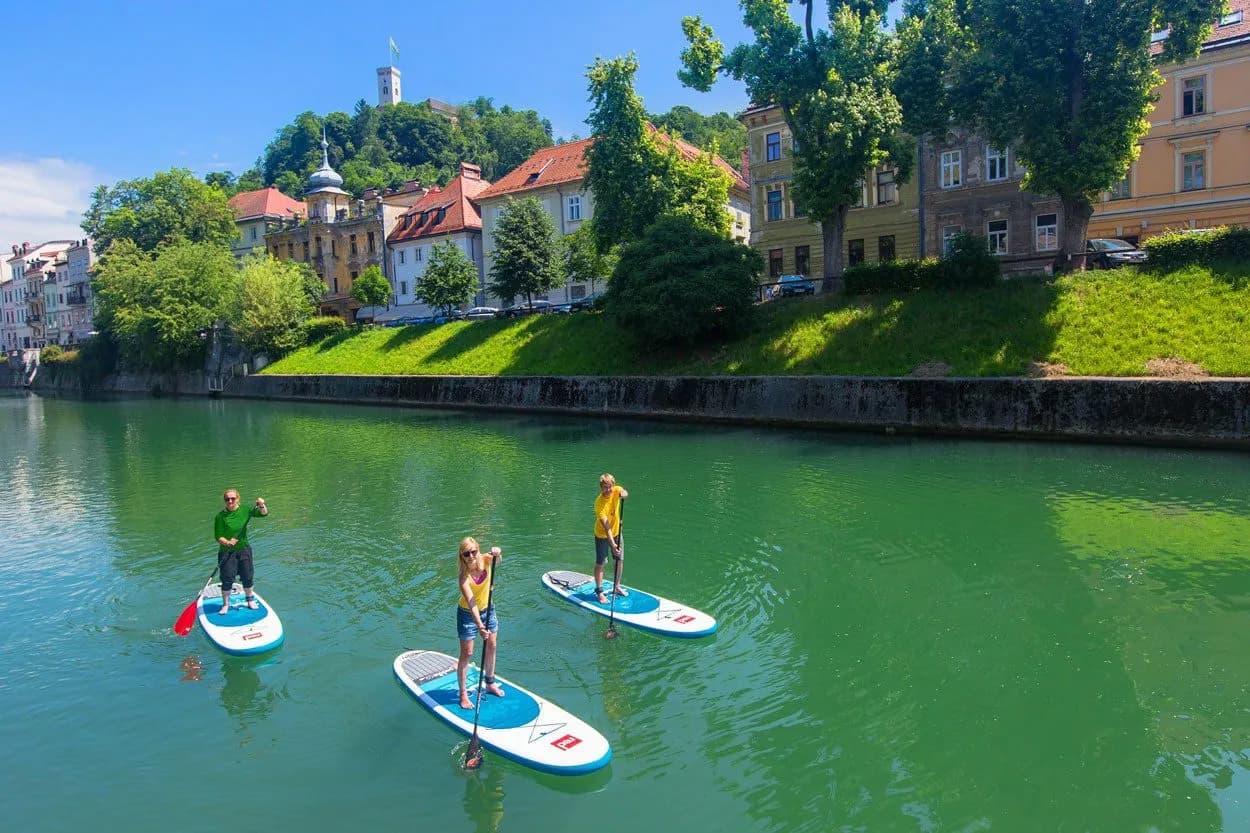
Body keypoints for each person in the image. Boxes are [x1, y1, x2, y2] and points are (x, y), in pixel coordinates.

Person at [457, 537, 504, 709]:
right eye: (466, 554)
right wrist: (480, 626)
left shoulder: (486, 559)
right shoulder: (463, 578)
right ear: (462, 556)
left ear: (478, 550)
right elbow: (471, 603)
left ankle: (490, 683)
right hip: (467, 614)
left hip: (488, 609)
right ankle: (462, 694)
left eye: (473, 551)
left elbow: (498, 558)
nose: (470, 556)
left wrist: (497, 552)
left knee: (492, 644)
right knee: (467, 653)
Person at [213, 489, 267, 615]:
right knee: (227, 579)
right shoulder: (220, 517)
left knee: (248, 577)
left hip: (244, 550)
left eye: (233, 498)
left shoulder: (245, 510)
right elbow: (218, 536)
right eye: (227, 499)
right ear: (225, 501)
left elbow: (264, 514)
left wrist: (261, 505)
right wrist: (227, 542)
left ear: (238, 498)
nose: (230, 501)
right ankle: (226, 604)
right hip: (227, 552)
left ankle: (250, 600)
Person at [593, 474, 629, 604]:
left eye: (609, 487)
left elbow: (624, 492)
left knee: (619, 559)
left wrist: (624, 494)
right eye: (604, 488)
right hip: (602, 534)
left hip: (617, 532)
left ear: (613, 486)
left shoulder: (616, 490)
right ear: (601, 488)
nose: (607, 490)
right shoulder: (599, 504)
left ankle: (617, 586)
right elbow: (606, 527)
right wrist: (613, 545)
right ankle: (600, 592)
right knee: (601, 563)